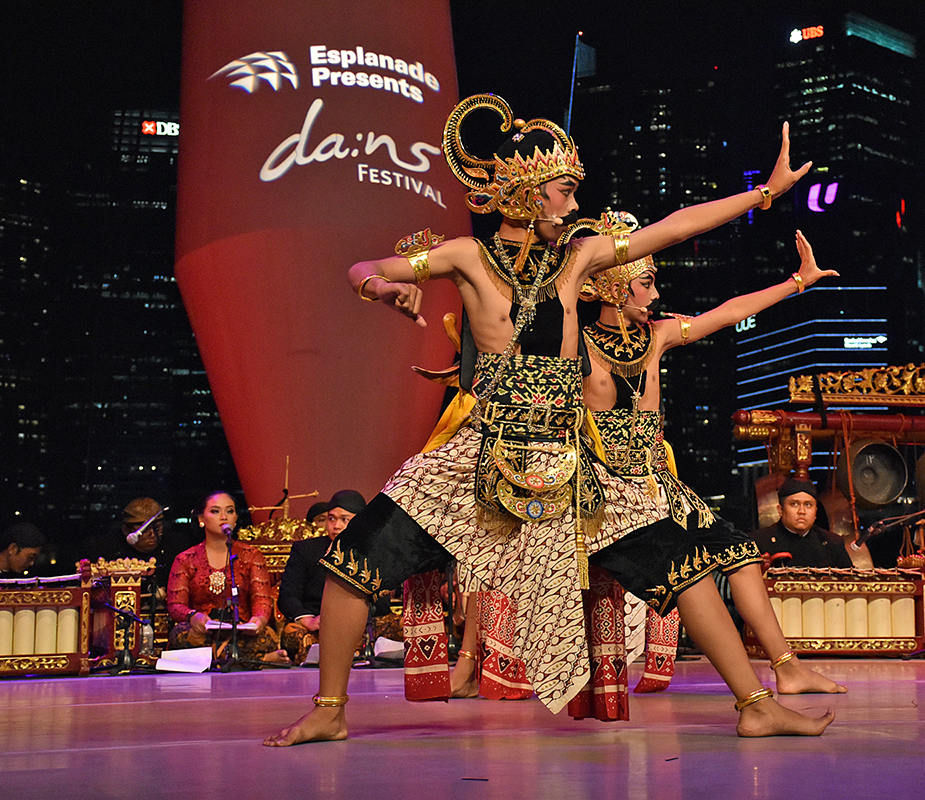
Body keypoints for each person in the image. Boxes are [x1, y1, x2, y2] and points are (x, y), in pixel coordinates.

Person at [266, 94, 831, 746]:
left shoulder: (578, 257)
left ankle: (756, 704)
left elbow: (673, 228)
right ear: (530, 195)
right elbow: (362, 267)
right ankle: (330, 708)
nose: (573, 204)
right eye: (565, 191)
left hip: (569, 456)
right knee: (352, 564)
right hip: (480, 452)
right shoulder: (467, 256)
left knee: (687, 565)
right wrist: (384, 287)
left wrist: (764, 193)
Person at [578, 227, 844, 707]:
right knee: (690, 568)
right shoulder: (573, 344)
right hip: (606, 492)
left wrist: (797, 282)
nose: (655, 295)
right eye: (646, 283)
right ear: (615, 285)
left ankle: (788, 667)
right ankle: (753, 697)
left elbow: (728, 313)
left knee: (741, 552)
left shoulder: (656, 336)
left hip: (657, 484)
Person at [165, 491, 287, 663]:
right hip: (203, 631)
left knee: (266, 636)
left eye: (229, 511)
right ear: (201, 519)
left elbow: (262, 600)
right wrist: (193, 616)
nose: (224, 517)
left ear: (235, 519)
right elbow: (175, 605)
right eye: (215, 511)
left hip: (240, 630)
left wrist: (258, 620)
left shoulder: (251, 555)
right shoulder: (185, 559)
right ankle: (255, 660)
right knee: (181, 635)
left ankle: (216, 659)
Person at [279, 490, 391, 664]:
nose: (336, 526)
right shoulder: (306, 550)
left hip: (361, 627)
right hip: (318, 627)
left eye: (345, 519)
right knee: (294, 633)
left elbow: (382, 605)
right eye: (331, 519)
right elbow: (288, 596)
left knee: (400, 627)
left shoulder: (373, 553)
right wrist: (308, 620)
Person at [752, 479, 854, 569]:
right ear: (780, 510)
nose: (802, 511)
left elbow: (850, 580)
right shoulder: (759, 541)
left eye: (808, 505)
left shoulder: (832, 543)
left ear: (815, 511)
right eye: (794, 504)